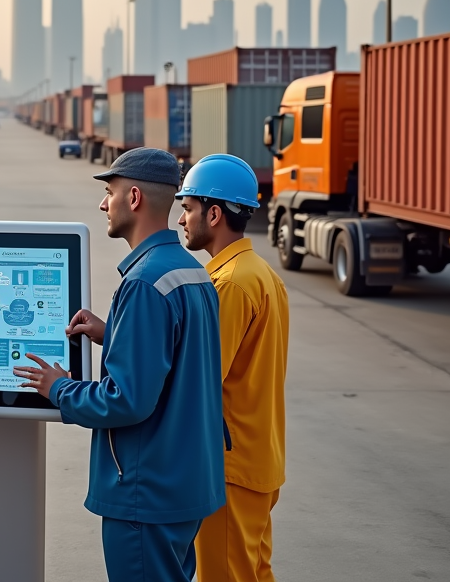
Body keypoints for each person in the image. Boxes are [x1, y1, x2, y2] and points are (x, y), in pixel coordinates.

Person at [13, 147, 224, 582]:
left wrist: (58, 387)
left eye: (108, 192)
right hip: (186, 483)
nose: (102, 204)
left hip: (147, 492)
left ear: (134, 197)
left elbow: (127, 400)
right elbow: (181, 357)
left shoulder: (145, 283)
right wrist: (114, 334)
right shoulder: (190, 271)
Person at [177, 154, 289, 582]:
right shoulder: (261, 274)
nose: (182, 219)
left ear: (215, 212)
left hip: (230, 467)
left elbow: (201, 375)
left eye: (188, 208)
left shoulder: (228, 285)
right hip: (259, 458)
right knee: (253, 573)